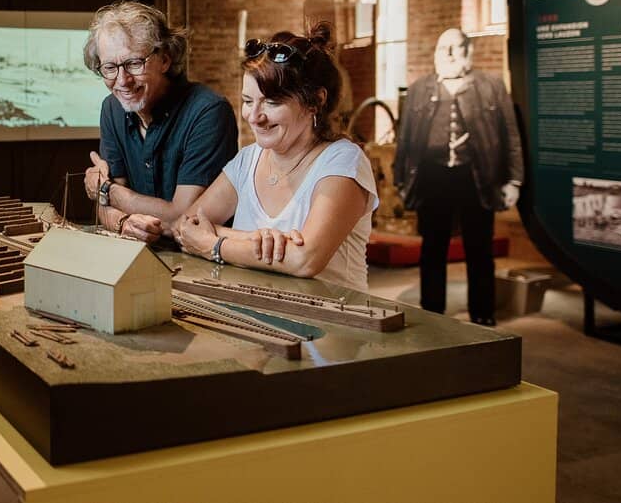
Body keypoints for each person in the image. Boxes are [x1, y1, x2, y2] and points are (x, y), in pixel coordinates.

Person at [174, 23, 379, 290]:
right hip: (256, 316)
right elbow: (185, 226)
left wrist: (214, 243)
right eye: (248, 101)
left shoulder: (342, 161)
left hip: (334, 323)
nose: (255, 116)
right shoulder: (248, 159)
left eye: (271, 102)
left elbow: (305, 260)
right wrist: (257, 240)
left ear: (315, 101)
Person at [393, 28, 523, 325]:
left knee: (479, 249)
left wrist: (513, 180)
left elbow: (511, 136)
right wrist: (401, 179)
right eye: (443, 48)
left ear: (469, 52)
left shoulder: (491, 87)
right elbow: (406, 139)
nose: (449, 54)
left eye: (455, 47)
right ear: (436, 54)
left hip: (477, 178)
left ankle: (482, 314)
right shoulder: (419, 89)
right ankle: (431, 311)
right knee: (432, 249)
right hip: (432, 178)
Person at [82, 1, 238, 242]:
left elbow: (180, 218)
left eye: (134, 63)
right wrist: (121, 221)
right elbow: (105, 210)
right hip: (134, 252)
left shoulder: (208, 112)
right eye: (110, 67)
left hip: (198, 262)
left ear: (165, 59)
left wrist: (106, 190)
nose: (122, 81)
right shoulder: (111, 108)